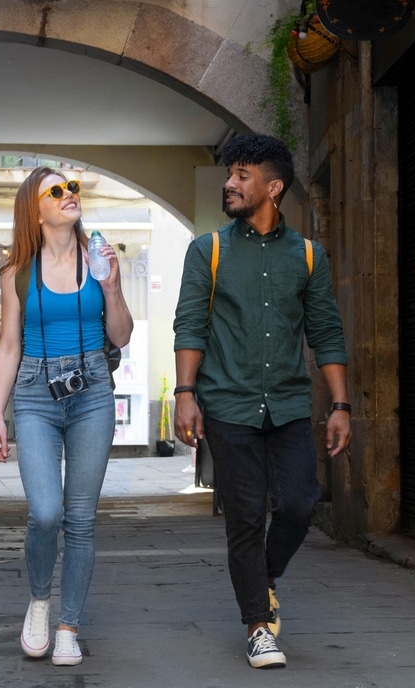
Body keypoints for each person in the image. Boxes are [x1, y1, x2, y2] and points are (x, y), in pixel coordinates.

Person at [170, 134, 352, 669]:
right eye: (230, 174)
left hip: (289, 405)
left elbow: (326, 332)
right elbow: (190, 325)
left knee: (299, 502)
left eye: (241, 175)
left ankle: (262, 577)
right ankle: (257, 625)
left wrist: (340, 405)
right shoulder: (209, 250)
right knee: (245, 517)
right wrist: (185, 394)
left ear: (272, 188)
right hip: (228, 404)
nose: (229, 183)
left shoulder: (309, 256)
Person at [0, 168, 133, 666]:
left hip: (92, 391)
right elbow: (9, 345)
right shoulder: (16, 272)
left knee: (81, 519)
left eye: (72, 187)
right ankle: (39, 602)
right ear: (35, 210)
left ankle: (68, 626)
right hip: (34, 393)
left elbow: (121, 335)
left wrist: (111, 287)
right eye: (56, 191)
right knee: (46, 513)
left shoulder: (98, 258)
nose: (69, 194)